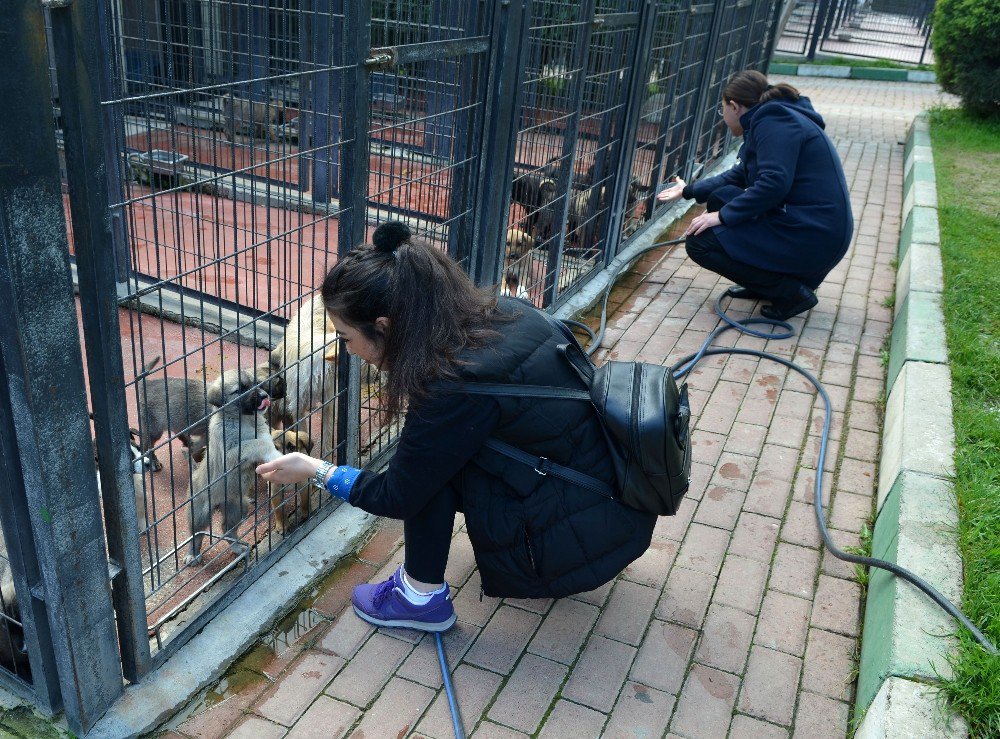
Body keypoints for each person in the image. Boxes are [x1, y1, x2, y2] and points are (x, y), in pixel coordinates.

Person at [257, 222, 656, 632]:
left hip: (584, 537)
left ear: (385, 326)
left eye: (345, 337)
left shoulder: (450, 384)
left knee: (421, 474)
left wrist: (315, 470)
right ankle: (421, 586)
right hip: (614, 500)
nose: (348, 350)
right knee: (430, 458)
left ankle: (419, 599)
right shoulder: (506, 311)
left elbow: (396, 497)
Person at [657, 70, 853, 320]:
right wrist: (687, 190)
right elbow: (739, 175)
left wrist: (722, 217)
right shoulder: (773, 118)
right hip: (811, 229)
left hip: (812, 237)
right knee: (722, 196)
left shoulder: (774, 123)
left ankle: (791, 292)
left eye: (722, 110)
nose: (724, 118)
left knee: (700, 242)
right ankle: (765, 282)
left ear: (734, 106)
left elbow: (774, 183)